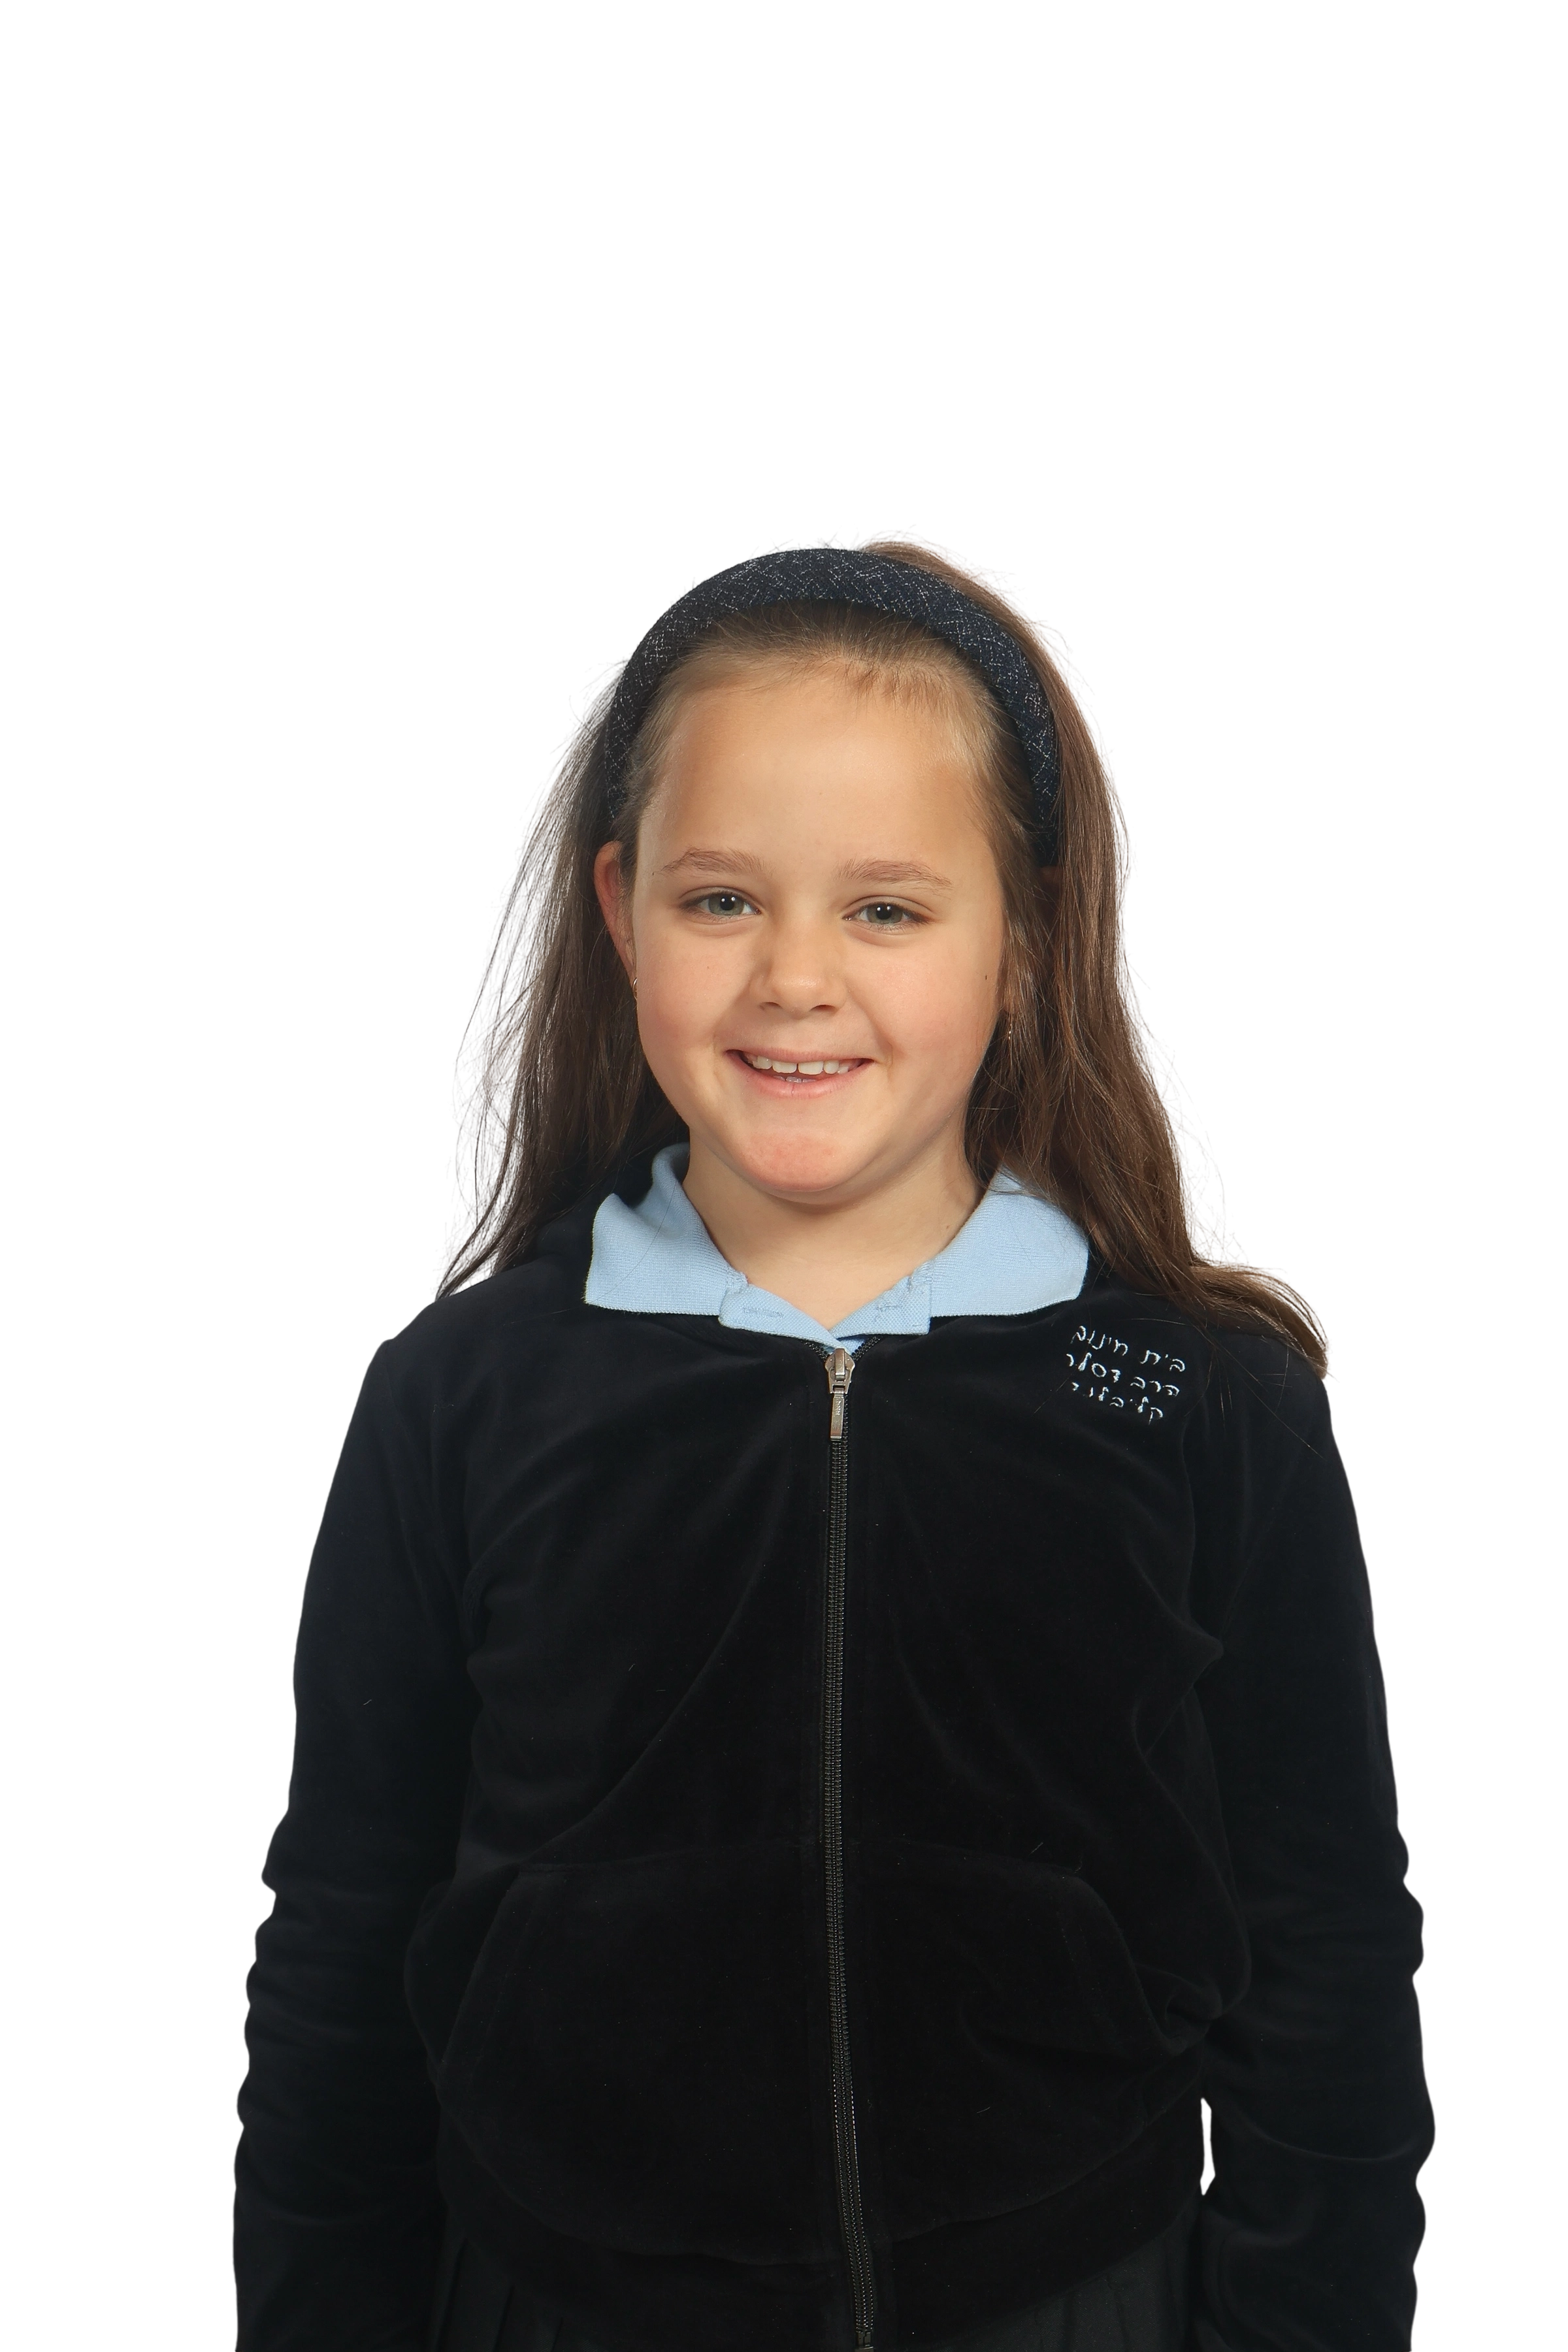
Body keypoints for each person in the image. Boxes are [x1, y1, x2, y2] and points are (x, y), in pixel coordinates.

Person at [231, 526, 1435, 2352]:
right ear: (623, 910)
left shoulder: (1210, 1403)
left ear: (1022, 939)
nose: (796, 978)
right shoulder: (456, 1398)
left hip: (1074, 2301)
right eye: (724, 900)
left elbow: (1326, 1953)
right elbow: (343, 1933)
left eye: (886, 909)